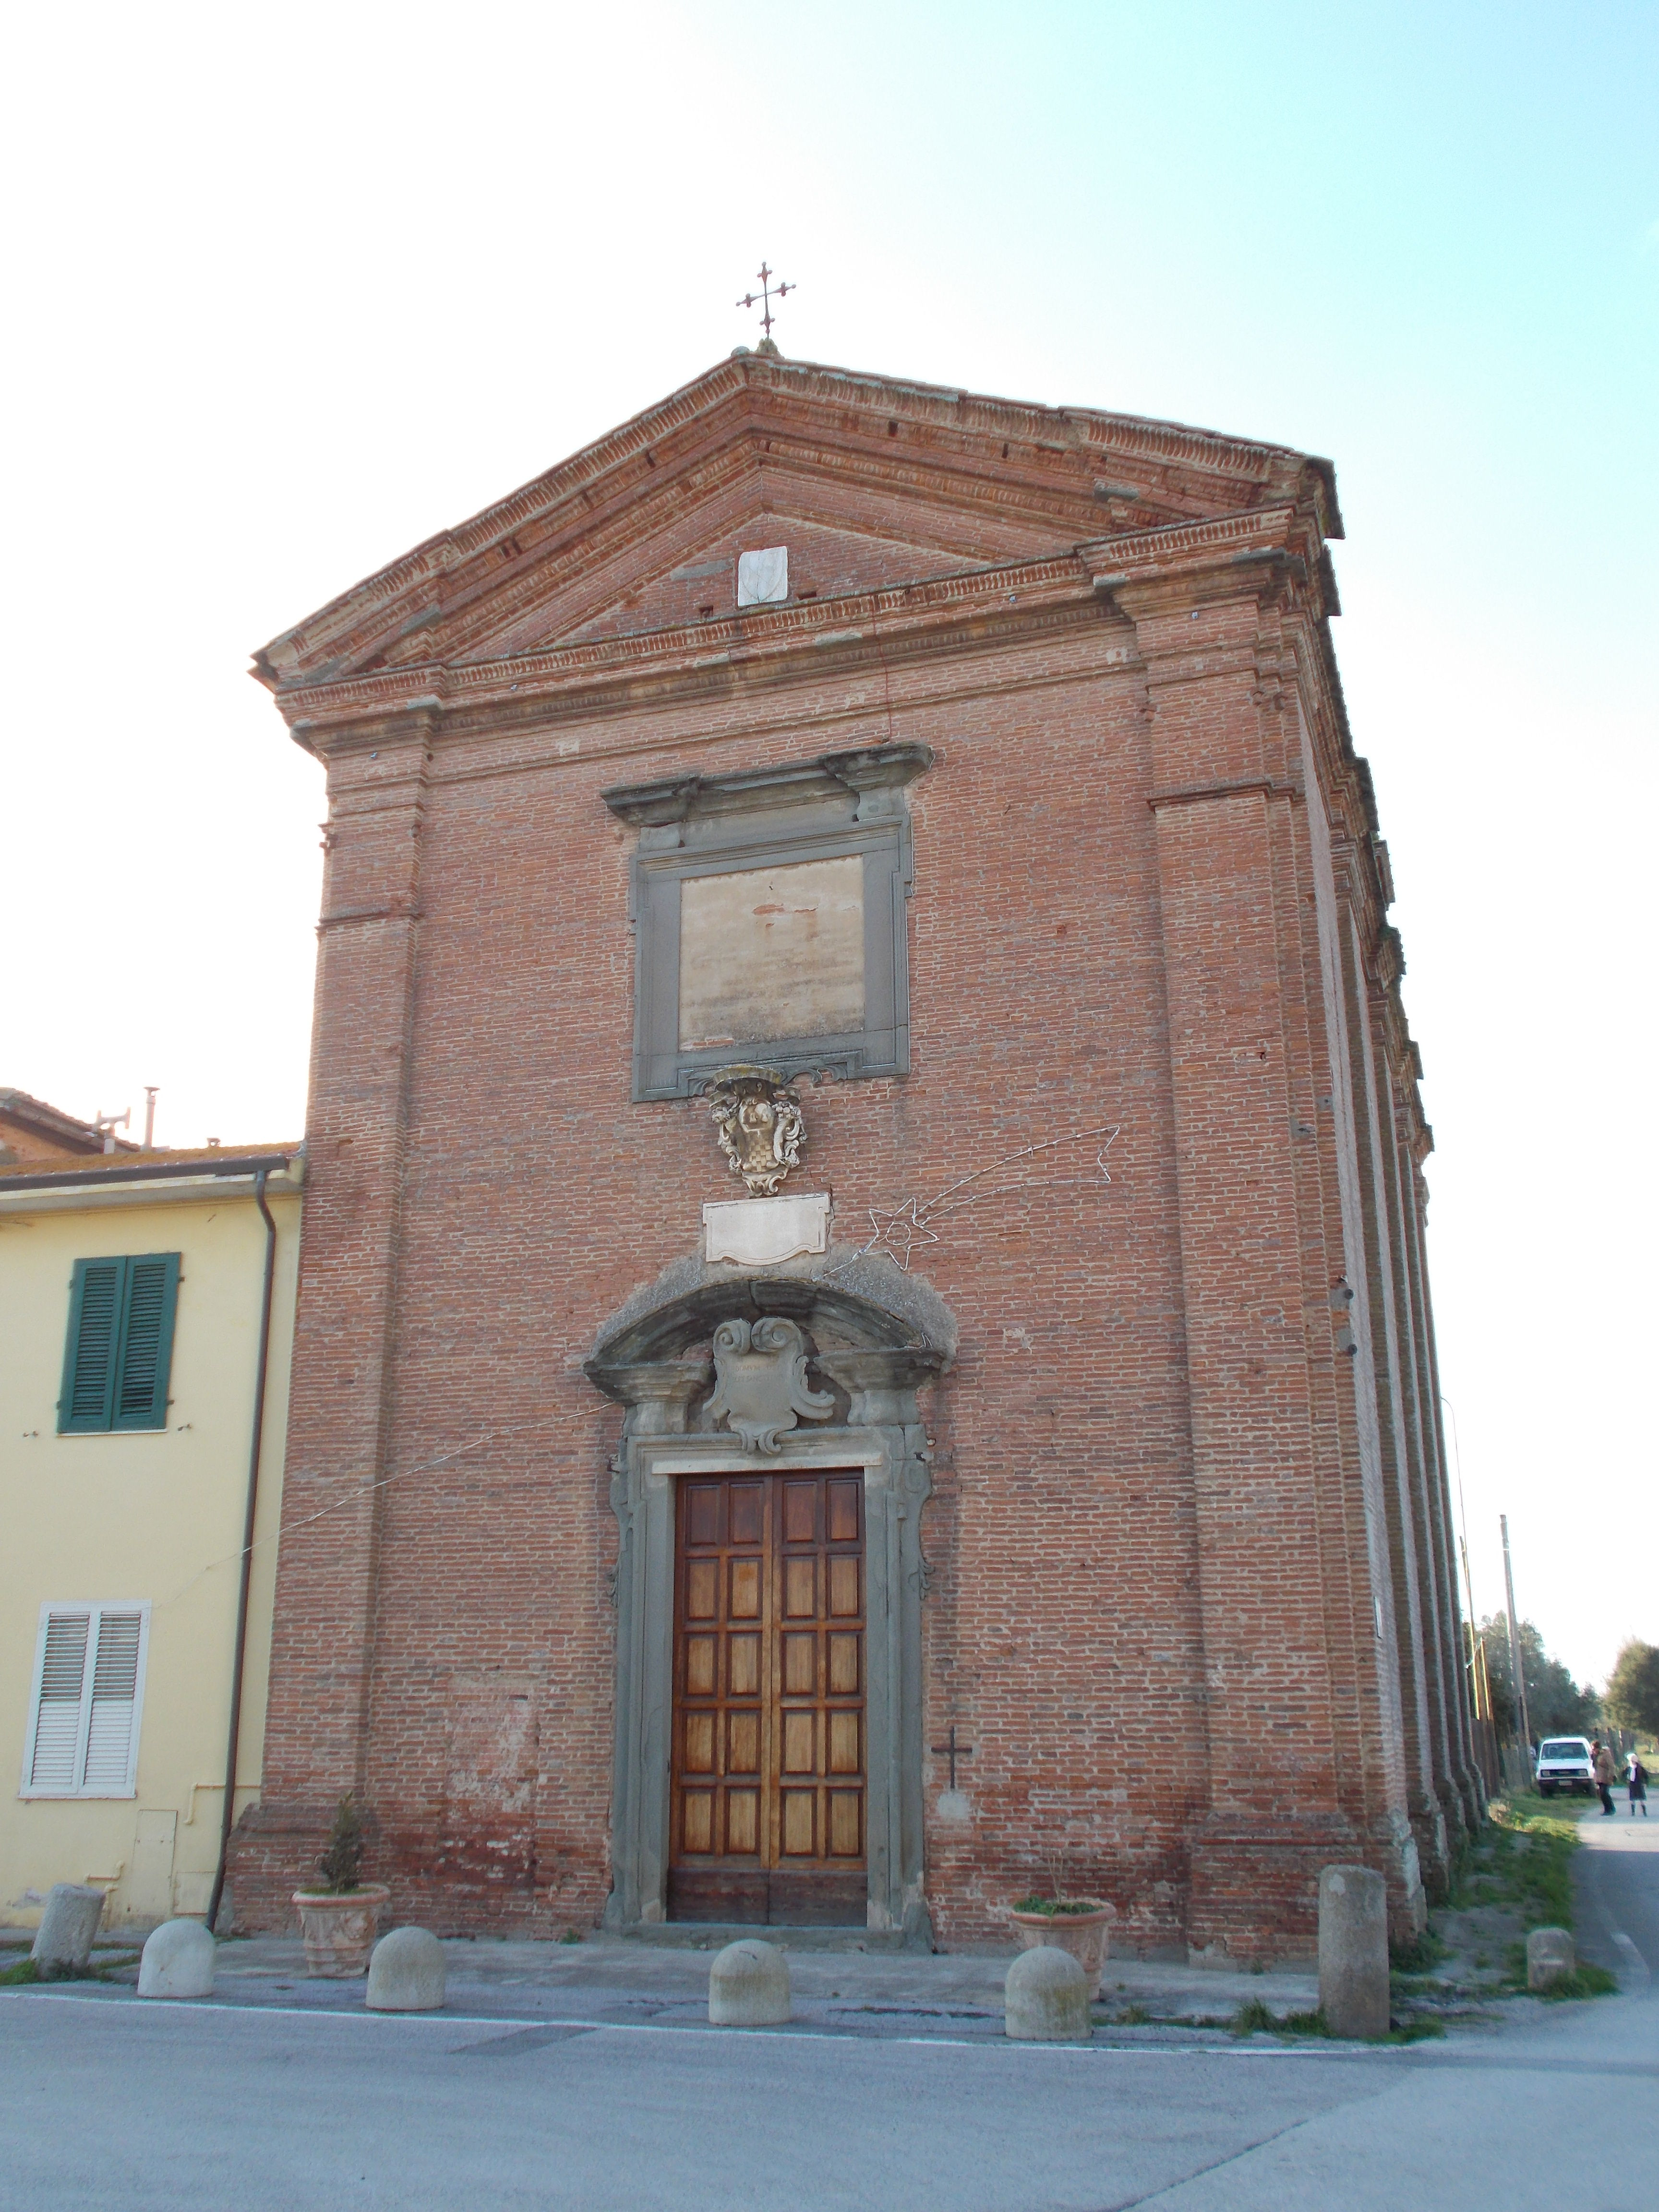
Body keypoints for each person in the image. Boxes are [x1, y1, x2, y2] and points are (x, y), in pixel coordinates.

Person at [1592, 1739, 1617, 1815]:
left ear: (1598, 1748)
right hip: (1599, 1777)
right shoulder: (1595, 1755)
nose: (1593, 1750)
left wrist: (1610, 1776)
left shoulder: (1606, 1754)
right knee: (1601, 1794)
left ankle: (1611, 1809)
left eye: (1594, 1749)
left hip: (1606, 1777)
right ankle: (1607, 1809)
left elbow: (1611, 1766)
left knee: (1604, 1793)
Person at [1630, 1753, 1650, 1817]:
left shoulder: (1640, 1769)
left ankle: (1645, 1812)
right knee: (1633, 1800)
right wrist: (1626, 1780)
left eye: (1633, 1761)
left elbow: (1646, 1776)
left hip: (1639, 1785)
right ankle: (1633, 1812)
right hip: (1632, 1785)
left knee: (1642, 1800)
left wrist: (1646, 1783)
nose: (1632, 1762)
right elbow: (1623, 1775)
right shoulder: (1629, 1768)